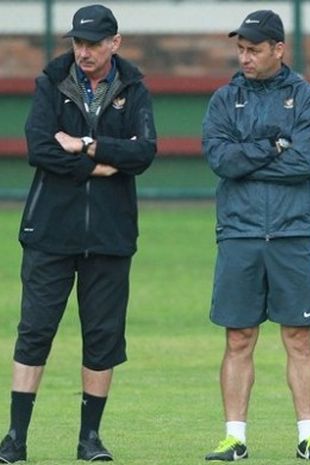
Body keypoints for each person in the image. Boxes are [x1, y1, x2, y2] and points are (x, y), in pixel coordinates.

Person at [0, 4, 156, 463]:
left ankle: (90, 439)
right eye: (78, 43)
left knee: (103, 336)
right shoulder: (50, 83)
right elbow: (41, 147)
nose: (83, 51)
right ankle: (15, 438)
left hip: (110, 236)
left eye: (92, 43)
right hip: (49, 231)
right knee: (35, 331)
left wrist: (87, 144)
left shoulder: (135, 89)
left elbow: (144, 153)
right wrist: (102, 163)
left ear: (115, 43)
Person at [201, 9, 310, 463]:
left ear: (279, 49)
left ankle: (309, 437)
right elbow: (222, 161)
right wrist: (272, 145)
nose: (245, 57)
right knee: (238, 336)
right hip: (238, 232)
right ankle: (234, 437)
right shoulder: (223, 99)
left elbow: (307, 162)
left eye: (254, 49)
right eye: (240, 49)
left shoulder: (308, 98)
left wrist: (249, 157)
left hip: (295, 231)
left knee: (299, 336)